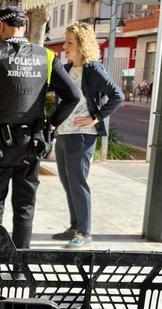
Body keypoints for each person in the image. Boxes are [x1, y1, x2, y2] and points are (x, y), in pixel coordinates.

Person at [0, 6, 80, 249]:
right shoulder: (46, 56)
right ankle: (19, 266)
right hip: (32, 144)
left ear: (0, 27)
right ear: (24, 26)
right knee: (25, 204)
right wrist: (52, 123)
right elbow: (73, 95)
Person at [52, 23, 124, 248]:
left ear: (82, 45)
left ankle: (84, 232)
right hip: (64, 133)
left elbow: (117, 95)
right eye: (65, 42)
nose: (65, 46)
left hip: (82, 136)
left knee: (78, 183)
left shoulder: (93, 69)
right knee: (67, 183)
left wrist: (96, 117)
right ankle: (75, 227)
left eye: (70, 42)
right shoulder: (66, 68)